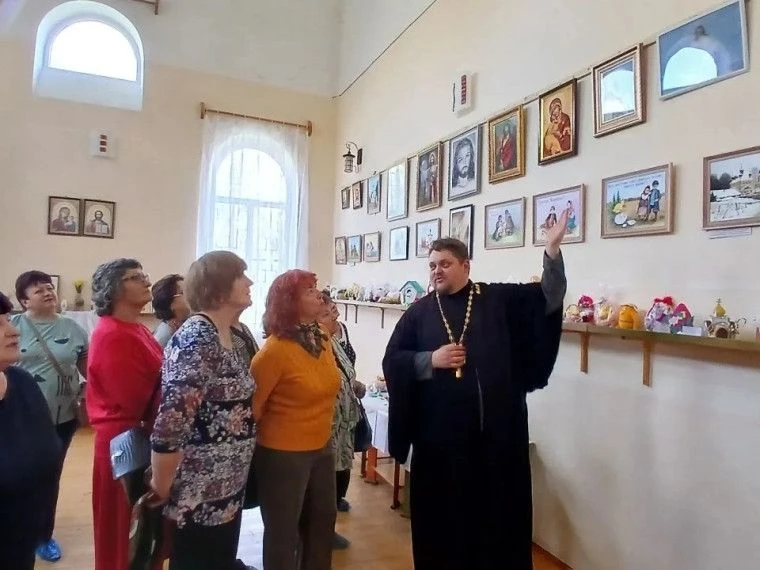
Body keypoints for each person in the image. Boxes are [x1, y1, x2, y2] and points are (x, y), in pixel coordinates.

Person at [382, 210, 569, 570]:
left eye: (445, 264)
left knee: (496, 525)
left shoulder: (497, 299)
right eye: (432, 265)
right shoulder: (418, 313)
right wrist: (429, 360)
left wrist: (552, 251)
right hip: (440, 449)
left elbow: (549, 297)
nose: (436, 271)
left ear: (466, 265)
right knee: (444, 531)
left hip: (496, 444)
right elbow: (393, 361)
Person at [150, 251, 256, 570]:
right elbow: (171, 424)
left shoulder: (227, 333)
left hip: (225, 486)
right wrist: (162, 485)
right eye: (241, 276)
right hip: (198, 492)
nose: (250, 282)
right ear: (218, 289)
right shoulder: (198, 336)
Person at [251, 270, 340, 570]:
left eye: (316, 288)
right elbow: (254, 408)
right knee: (283, 530)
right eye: (309, 291)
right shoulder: (273, 352)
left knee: (323, 520)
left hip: (321, 446)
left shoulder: (322, 337)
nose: (319, 294)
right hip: (282, 453)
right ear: (289, 302)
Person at [86, 259, 163, 570]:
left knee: (143, 530)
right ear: (114, 289)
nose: (146, 281)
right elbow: (131, 398)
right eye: (135, 277)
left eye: (144, 275)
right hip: (125, 443)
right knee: (125, 531)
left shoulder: (136, 327)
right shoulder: (113, 334)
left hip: (139, 435)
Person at [11, 270, 88, 562]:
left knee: (49, 475)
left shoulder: (73, 328)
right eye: (38, 290)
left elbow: (88, 370)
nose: (47, 292)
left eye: (48, 287)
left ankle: (43, 535)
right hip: (18, 417)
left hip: (61, 416)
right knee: (16, 475)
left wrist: (85, 393)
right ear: (24, 301)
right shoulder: (12, 327)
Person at [0, 291, 61, 570]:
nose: (13, 330)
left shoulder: (22, 382)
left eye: (7, 319)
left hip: (21, 543)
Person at [151, 274, 192, 348]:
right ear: (169, 302)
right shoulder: (164, 337)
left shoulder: (184, 326)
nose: (192, 295)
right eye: (184, 292)